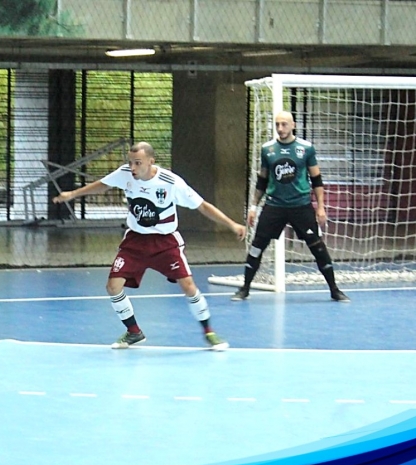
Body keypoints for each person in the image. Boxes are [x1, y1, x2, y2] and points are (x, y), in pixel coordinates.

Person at [53, 142, 246, 350]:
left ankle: (209, 332)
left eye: (138, 163)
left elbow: (202, 206)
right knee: (112, 286)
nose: (133, 168)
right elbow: (103, 184)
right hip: (135, 241)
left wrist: (231, 224)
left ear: (151, 162)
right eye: (130, 163)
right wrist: (72, 194)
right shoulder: (125, 174)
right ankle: (133, 332)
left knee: (189, 286)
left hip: (165, 242)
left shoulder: (170, 182)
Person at [231, 111, 350, 303]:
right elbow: (262, 180)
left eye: (284, 124)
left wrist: (320, 207)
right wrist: (253, 207)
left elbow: (317, 179)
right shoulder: (267, 149)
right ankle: (244, 288)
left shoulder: (306, 148)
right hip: (274, 206)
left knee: (318, 248)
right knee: (256, 247)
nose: (280, 128)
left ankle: (334, 290)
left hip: (301, 207)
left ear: (293, 125)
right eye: (277, 124)